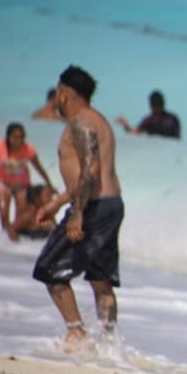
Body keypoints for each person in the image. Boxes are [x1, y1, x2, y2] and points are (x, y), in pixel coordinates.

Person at [33, 65, 124, 351]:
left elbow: (90, 170)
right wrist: (57, 202)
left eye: (56, 94)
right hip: (111, 205)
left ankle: (77, 334)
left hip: (93, 207)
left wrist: (77, 213)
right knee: (101, 278)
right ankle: (109, 343)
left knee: (49, 269)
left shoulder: (80, 123)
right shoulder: (99, 121)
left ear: (63, 93)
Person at [116, 90, 181, 139]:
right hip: (158, 153)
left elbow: (176, 140)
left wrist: (126, 126)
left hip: (167, 151)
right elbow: (135, 132)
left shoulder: (171, 119)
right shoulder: (150, 120)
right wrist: (125, 126)